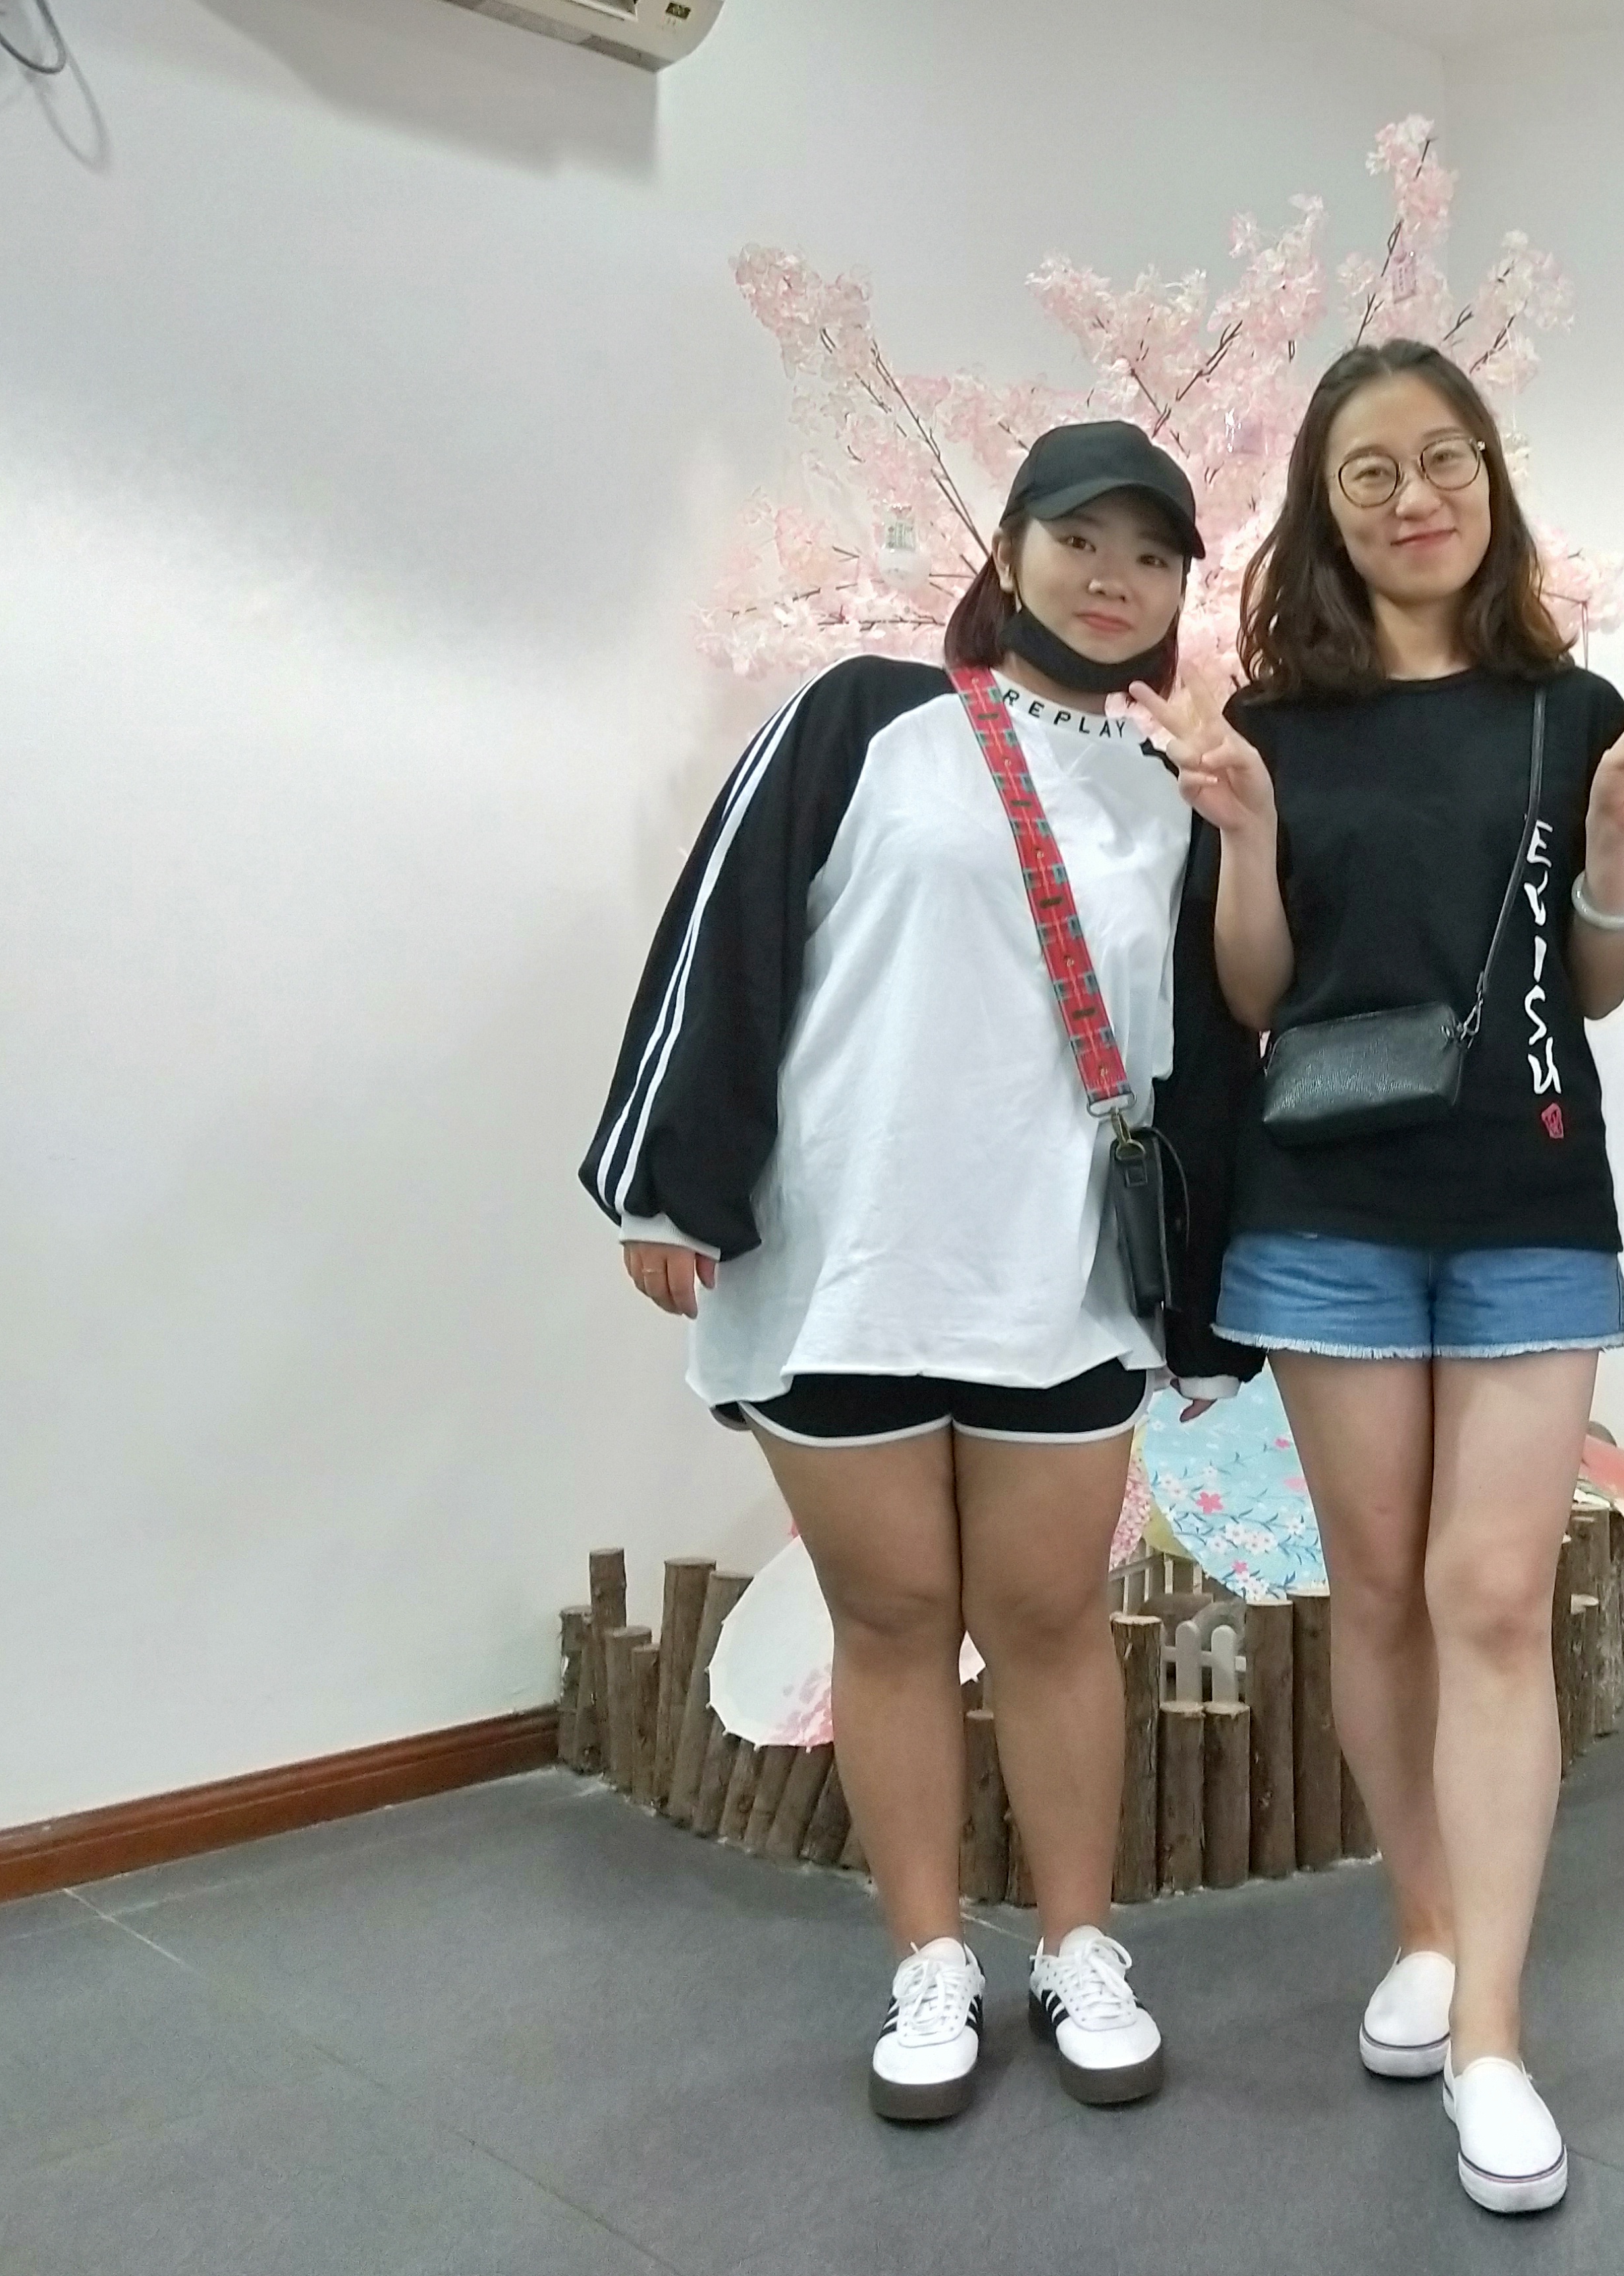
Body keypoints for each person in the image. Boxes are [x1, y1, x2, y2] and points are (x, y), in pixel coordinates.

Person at [580, 421, 1259, 2125]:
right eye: (1081, 539)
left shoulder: (1179, 787)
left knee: (1050, 1620)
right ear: (1010, 550)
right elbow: (726, 940)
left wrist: (1207, 1304)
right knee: (890, 1621)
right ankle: (930, 1957)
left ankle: (1080, 1944)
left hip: (1056, 1277)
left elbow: (1209, 1053)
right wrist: (670, 1182)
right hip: (850, 1261)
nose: (1113, 578)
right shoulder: (862, 717)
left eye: (1152, 555)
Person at [1127, 340, 1624, 2213]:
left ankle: (1494, 2042)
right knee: (1376, 1592)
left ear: (1491, 481)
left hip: (1526, 1200)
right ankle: (1430, 1928)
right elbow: (1252, 993)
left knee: (1489, 1597)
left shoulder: (1569, 709)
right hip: (1325, 1211)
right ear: (1327, 507)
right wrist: (1242, 834)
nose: (1414, 498)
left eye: (1444, 458)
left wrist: (1611, 839)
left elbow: (1595, 982)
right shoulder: (1275, 728)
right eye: (1369, 472)